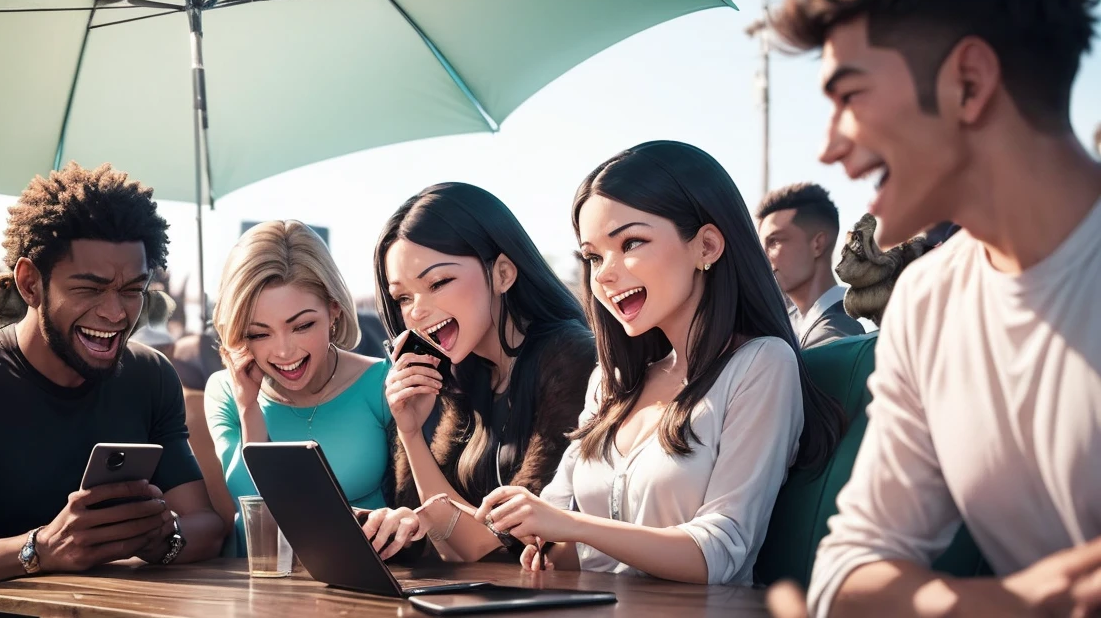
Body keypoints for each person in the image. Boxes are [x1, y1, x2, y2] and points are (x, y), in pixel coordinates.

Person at [769, 0, 1101, 616]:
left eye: (851, 96)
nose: (830, 147)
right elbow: (849, 566)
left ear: (968, 83)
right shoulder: (927, 298)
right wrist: (1010, 602)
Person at [474, 141, 846, 585]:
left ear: (706, 246)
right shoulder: (610, 383)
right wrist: (542, 542)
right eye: (592, 256)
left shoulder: (762, 364)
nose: (604, 274)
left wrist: (570, 526)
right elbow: (560, 527)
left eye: (631, 242)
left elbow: (720, 552)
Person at [0, 162, 224, 614]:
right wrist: (39, 550)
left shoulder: (150, 377)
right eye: (90, 289)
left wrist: (164, 539)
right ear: (30, 283)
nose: (116, 313)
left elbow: (205, 525)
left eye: (132, 290)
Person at [376, 182, 596, 562]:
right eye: (403, 297)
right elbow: (434, 532)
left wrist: (414, 444)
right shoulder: (469, 373)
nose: (417, 311)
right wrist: (409, 430)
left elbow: (502, 541)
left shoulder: (572, 358)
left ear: (504, 274)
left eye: (438, 282)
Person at [204, 221, 421, 559]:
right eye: (259, 333)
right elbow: (257, 504)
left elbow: (419, 508)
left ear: (333, 310)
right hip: (256, 588)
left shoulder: (382, 383)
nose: (284, 352)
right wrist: (249, 409)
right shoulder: (225, 392)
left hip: (360, 587)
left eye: (302, 325)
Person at [756, 183, 864, 347]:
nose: (763, 257)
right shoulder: (790, 326)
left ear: (817, 244)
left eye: (775, 241)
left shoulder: (835, 334)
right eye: (761, 246)